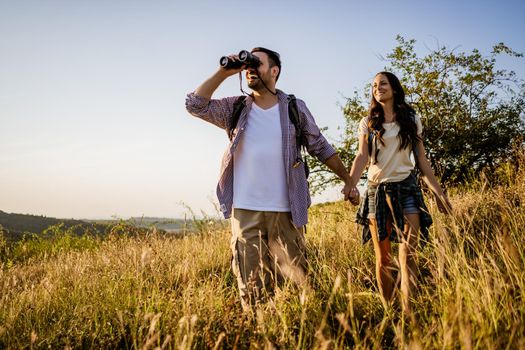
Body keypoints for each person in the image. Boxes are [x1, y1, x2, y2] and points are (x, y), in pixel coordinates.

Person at [185, 47, 353, 309]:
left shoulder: (294, 108)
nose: (250, 68)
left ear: (274, 71)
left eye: (257, 64)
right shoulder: (236, 108)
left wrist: (348, 179)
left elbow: (319, 145)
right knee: (251, 286)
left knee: (297, 282)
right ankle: (259, 332)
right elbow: (195, 105)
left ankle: (297, 332)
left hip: (286, 210)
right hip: (245, 211)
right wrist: (224, 72)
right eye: (248, 65)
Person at [347, 71, 452, 315]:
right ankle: (389, 313)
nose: (377, 88)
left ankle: (408, 313)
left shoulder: (411, 118)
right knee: (384, 258)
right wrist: (350, 182)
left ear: (394, 88)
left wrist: (439, 193)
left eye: (382, 83)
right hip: (376, 189)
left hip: (406, 187)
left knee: (408, 254)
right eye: (374, 85)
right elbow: (362, 156)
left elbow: (422, 160)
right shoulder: (368, 122)